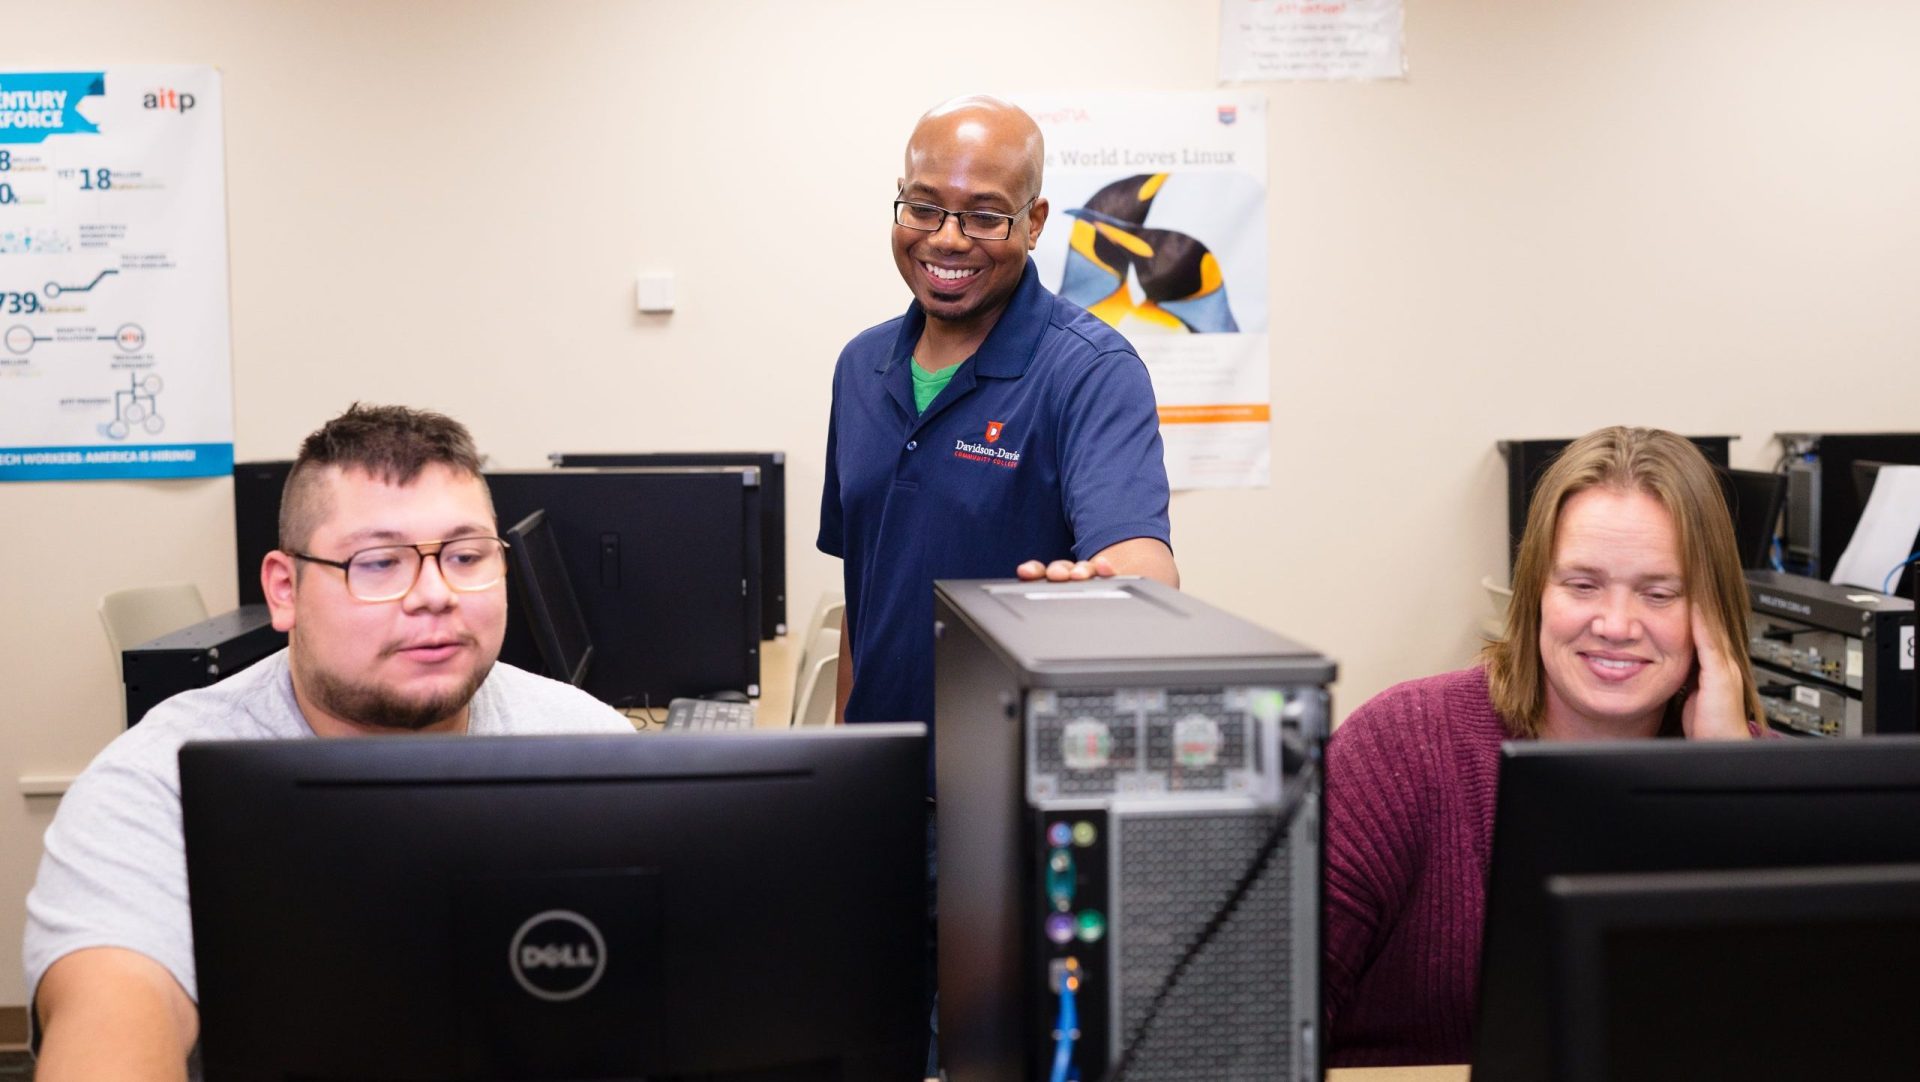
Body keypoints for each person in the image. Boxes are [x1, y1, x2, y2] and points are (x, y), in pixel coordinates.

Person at [23, 404, 634, 1081]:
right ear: (285, 590)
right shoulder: (158, 783)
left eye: (466, 557)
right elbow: (115, 1011)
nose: (435, 595)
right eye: (378, 563)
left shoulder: (589, 745)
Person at [1322, 426, 1767, 1068]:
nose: (1615, 625)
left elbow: (1816, 1023)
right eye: (1582, 585)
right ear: (1535, 592)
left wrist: (1730, 786)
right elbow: (1269, 1005)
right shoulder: (1402, 745)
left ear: (1713, 612)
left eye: (1658, 593)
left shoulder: (1769, 778)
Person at [819, 93, 1178, 734]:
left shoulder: (1092, 372)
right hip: (881, 787)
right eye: (924, 208)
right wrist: (846, 755)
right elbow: (864, 595)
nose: (947, 239)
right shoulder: (859, 368)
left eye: (985, 216)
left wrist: (1115, 593)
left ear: (1034, 221)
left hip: (1009, 792)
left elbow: (1139, 562)